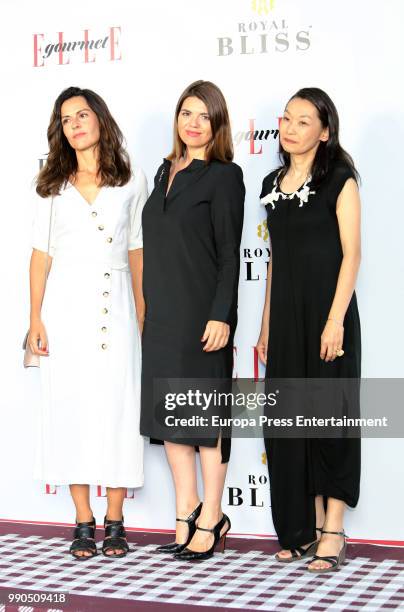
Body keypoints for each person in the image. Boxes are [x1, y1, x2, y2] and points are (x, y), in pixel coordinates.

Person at [28, 86, 147, 560]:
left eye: (82, 114)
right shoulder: (50, 185)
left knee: (119, 406)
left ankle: (115, 519)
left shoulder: (131, 179)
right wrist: (34, 317)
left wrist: (142, 309)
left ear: (100, 119)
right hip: (65, 305)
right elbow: (40, 255)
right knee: (71, 407)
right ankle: (82, 519)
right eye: (66, 119)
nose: (75, 124)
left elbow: (137, 249)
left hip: (115, 302)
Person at [256, 87, 361, 573]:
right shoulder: (271, 183)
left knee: (329, 421)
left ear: (325, 131)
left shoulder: (341, 179)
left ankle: (333, 530)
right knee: (287, 426)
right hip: (286, 321)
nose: (291, 128)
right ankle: (304, 528)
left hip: (327, 315)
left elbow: (352, 254)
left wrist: (336, 319)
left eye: (303, 121)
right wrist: (265, 328)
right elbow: (274, 262)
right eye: (287, 119)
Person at [140, 80, 245, 561]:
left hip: (204, 316)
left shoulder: (225, 176)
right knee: (174, 422)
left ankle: (213, 516)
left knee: (205, 421)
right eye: (187, 112)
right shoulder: (162, 172)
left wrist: (222, 316)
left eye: (205, 115)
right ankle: (186, 512)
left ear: (218, 123)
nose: (194, 123)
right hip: (163, 316)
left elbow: (229, 257)